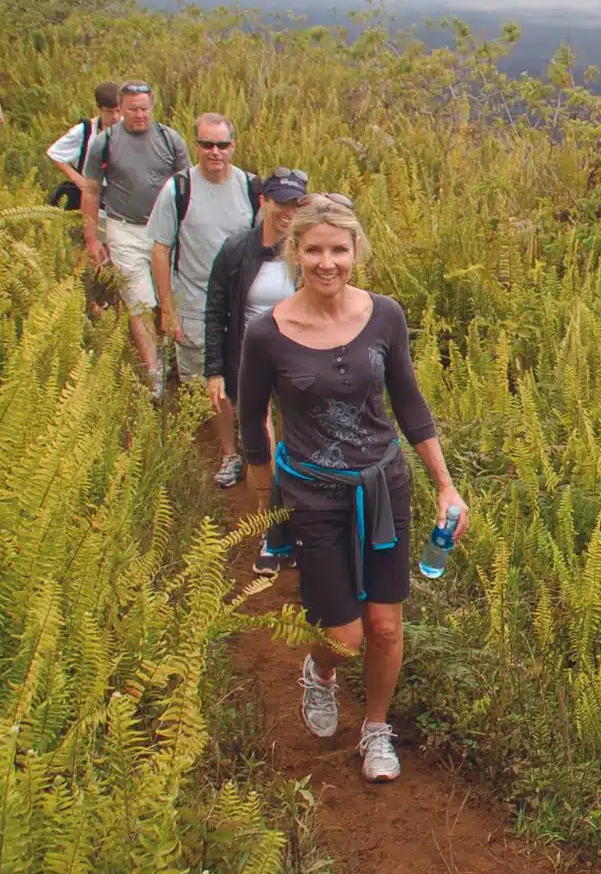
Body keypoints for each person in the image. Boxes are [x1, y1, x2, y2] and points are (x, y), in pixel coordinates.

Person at [236, 195, 468, 783]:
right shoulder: (267, 334)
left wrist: (446, 486)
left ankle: (376, 729)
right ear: (296, 252)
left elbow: (408, 401)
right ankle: (319, 673)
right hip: (312, 495)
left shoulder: (384, 315)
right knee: (343, 633)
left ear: (356, 252)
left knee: (386, 625)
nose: (327, 262)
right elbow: (251, 422)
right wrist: (269, 509)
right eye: (314, 249)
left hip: (383, 486)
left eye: (338, 249)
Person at [146, 112, 258, 486]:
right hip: (194, 302)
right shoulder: (178, 190)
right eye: (207, 144)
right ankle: (229, 453)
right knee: (211, 382)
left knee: (251, 375)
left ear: (233, 146)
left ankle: (258, 448)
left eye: (222, 145)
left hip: (244, 305)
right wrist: (167, 309)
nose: (215, 152)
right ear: (195, 146)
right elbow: (160, 251)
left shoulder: (250, 188)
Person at [207, 167, 309, 572]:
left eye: (295, 205)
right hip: (249, 358)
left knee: (298, 442)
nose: (286, 212)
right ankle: (272, 527)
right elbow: (215, 312)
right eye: (280, 203)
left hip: (299, 357)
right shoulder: (236, 251)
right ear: (263, 201)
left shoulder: (308, 252)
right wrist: (214, 370)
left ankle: (300, 524)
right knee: (259, 443)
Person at [79, 81, 191, 399]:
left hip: (166, 232)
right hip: (124, 229)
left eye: (144, 108)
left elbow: (187, 187)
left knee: (168, 297)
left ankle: (172, 356)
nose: (139, 115)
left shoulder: (170, 140)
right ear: (120, 109)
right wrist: (91, 238)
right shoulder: (106, 142)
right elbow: (91, 189)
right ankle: (153, 371)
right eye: (132, 109)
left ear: (152, 107)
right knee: (139, 302)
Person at [45, 81, 122, 211]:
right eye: (109, 112)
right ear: (99, 109)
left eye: (118, 111)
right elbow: (54, 153)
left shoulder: (129, 130)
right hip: (89, 197)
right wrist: (79, 180)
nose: (115, 117)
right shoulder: (85, 131)